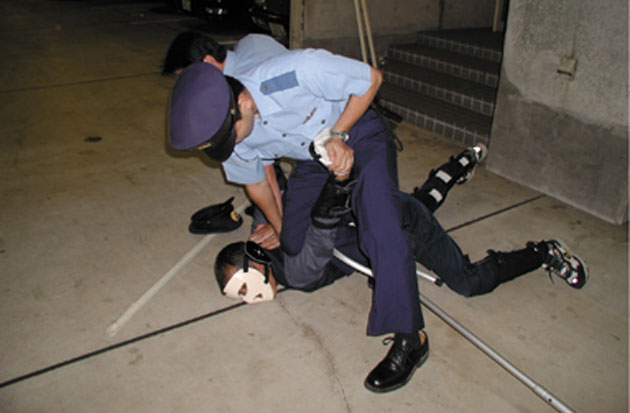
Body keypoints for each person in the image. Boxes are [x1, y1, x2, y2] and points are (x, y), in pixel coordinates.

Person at [212, 146, 589, 393]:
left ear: (253, 258)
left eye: (242, 286)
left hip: (389, 224)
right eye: (239, 294)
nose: (248, 298)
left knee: (469, 282)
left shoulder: (294, 270)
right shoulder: (273, 247)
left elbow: (272, 175)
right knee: (420, 201)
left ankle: (543, 252)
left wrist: (276, 219)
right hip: (375, 222)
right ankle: (457, 165)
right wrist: (264, 220)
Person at [162, 31, 290, 223]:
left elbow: (265, 173)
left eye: (188, 77)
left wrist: (278, 227)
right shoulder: (252, 41)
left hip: (315, 136)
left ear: (207, 62)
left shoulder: (239, 98)